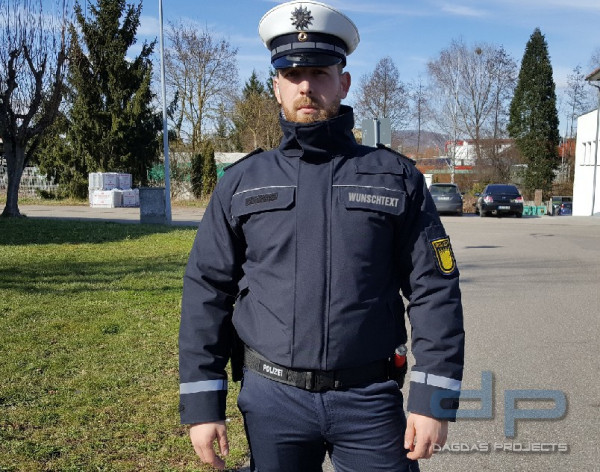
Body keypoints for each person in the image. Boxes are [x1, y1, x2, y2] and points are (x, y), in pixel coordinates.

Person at [178, 1, 465, 471]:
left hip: (370, 400)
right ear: (276, 87)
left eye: (319, 72)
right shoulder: (242, 182)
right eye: (292, 75)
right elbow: (207, 290)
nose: (306, 86)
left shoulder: (396, 178)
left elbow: (435, 289)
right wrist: (202, 404)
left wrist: (432, 399)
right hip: (273, 401)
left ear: (344, 81)